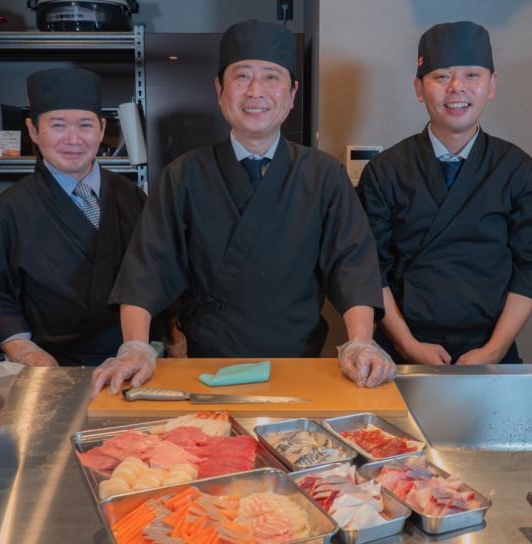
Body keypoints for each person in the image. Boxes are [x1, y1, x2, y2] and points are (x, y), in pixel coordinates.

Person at [92, 19, 395, 395]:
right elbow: (147, 268)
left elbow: (353, 268)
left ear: (292, 92)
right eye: (241, 77)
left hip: (299, 368)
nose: (256, 91)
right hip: (208, 370)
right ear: (220, 89)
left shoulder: (324, 175)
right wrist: (135, 346)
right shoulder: (183, 174)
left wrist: (361, 341)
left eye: (271, 77)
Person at [358, 21, 532, 365]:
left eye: (472, 76)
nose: (457, 88)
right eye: (441, 77)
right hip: (400, 350)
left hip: (490, 348)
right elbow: (369, 269)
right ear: (419, 89)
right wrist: (407, 345)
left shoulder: (517, 169)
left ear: (492, 85)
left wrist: (493, 351)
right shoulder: (385, 170)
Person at [0, 68, 146, 367]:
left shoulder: (132, 197)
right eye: (58, 125)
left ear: (101, 129)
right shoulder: (4, 211)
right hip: (49, 363)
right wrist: (23, 349)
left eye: (85, 125)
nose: (73, 139)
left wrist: (148, 347)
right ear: (33, 130)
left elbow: (155, 275)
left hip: (131, 358)